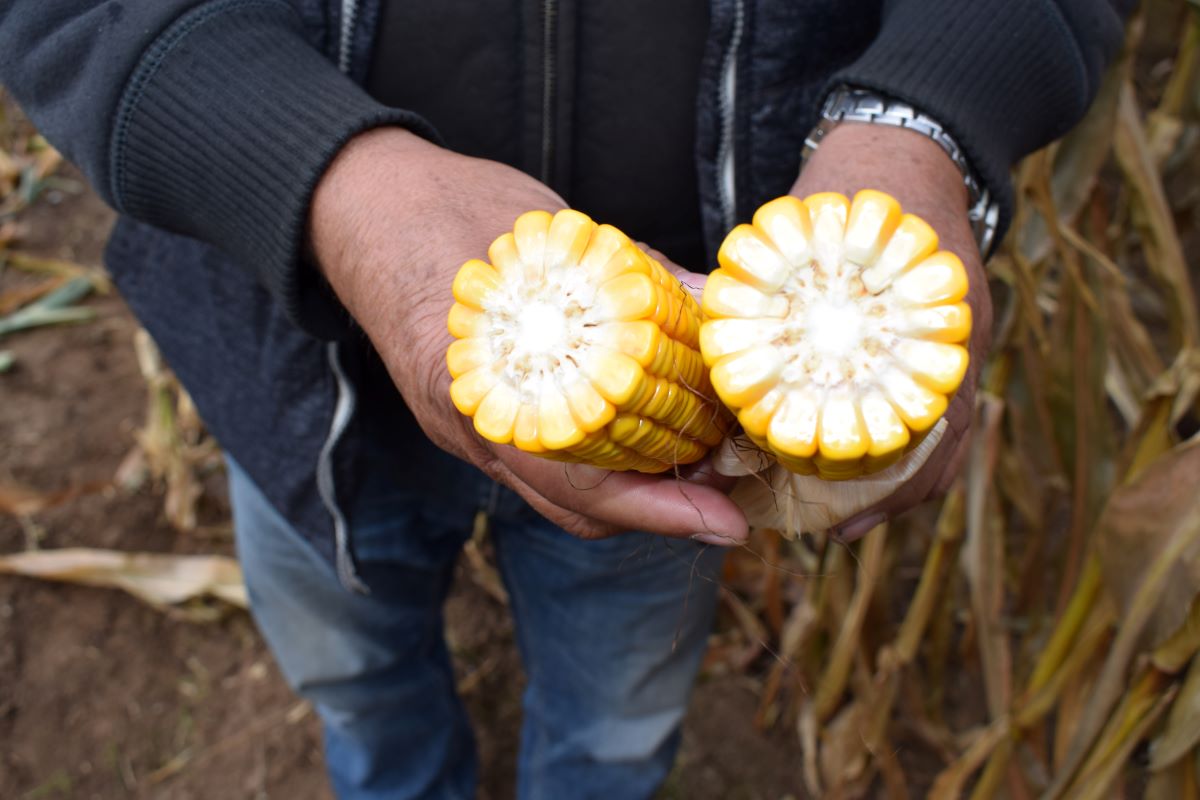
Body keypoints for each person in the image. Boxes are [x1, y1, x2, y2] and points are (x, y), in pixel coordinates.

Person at [1, 1, 1132, 797]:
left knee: (616, 709)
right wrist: (334, 182)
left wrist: (930, 113)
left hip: (692, 412)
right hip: (295, 368)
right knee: (351, 665)